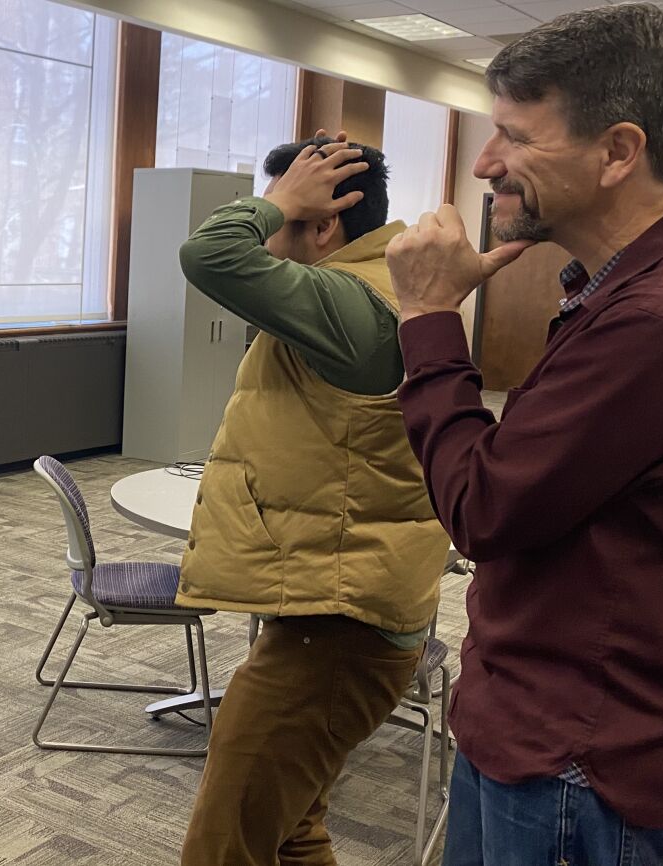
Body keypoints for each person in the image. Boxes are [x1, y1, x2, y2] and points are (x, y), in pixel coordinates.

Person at [384, 5, 663, 864]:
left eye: (515, 137)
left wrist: (426, 318)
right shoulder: (653, 291)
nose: (485, 163)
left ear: (618, 151)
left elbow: (482, 509)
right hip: (557, 719)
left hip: (584, 754)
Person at [175, 133, 450, 865]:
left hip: (340, 628)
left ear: (324, 222)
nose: (266, 236)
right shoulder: (371, 292)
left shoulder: (353, 302)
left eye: (281, 218)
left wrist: (272, 201)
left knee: (222, 849)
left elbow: (209, 255)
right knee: (292, 831)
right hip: (337, 606)